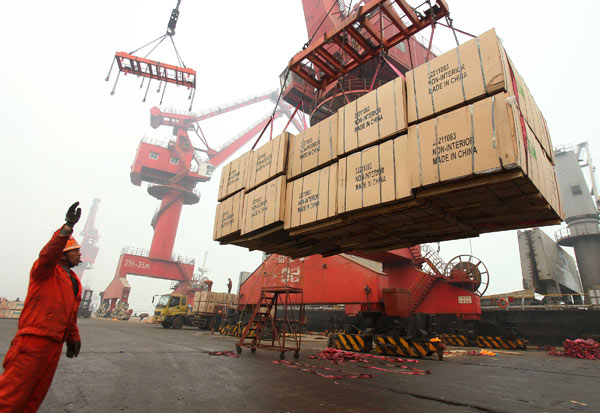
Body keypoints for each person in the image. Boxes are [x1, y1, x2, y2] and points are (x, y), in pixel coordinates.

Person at [0, 202, 83, 412]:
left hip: (54, 344)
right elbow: (49, 252)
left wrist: (73, 336)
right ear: (63, 253)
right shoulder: (45, 271)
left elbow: (70, 312)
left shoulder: (73, 280)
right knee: (10, 397)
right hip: (33, 340)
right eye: (75, 251)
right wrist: (67, 227)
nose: (80, 254)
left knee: (33, 398)